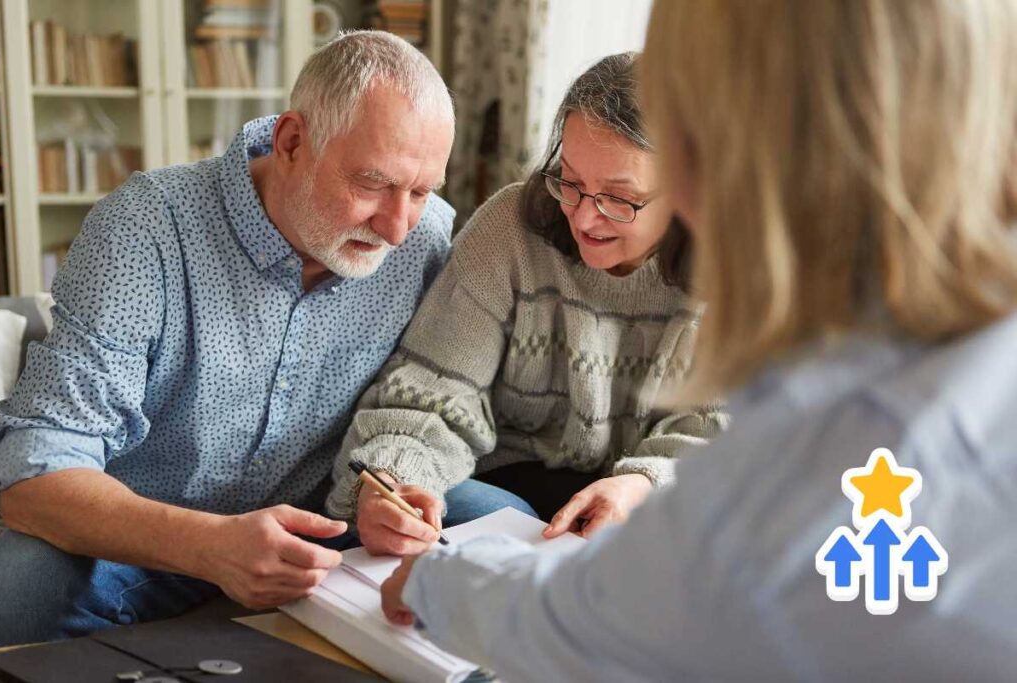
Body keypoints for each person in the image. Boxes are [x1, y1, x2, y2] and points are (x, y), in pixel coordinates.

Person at [379, 2, 1017, 681]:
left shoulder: (817, 439)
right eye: (573, 182)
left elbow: (620, 609)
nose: (590, 214)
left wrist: (437, 581)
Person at [0, 31, 458, 646]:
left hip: (322, 528)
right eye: (372, 184)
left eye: (421, 191)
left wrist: (386, 488)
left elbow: (418, 402)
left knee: (493, 524)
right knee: (15, 590)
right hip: (141, 543)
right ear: (292, 141)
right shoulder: (145, 228)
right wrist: (211, 546)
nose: (398, 227)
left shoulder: (430, 242)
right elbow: (33, 478)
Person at [328, 52, 726, 557]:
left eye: (619, 199)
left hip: (646, 499)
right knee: (452, 514)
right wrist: (395, 478)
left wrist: (643, 483)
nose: (583, 218)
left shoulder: (734, 262)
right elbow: (435, 386)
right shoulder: (509, 229)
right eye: (572, 182)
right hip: (503, 489)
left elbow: (718, 429)